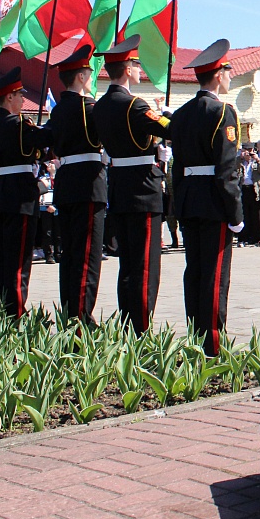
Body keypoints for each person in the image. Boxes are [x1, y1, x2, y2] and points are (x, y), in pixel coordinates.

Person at [168, 39, 244, 356]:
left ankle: (196, 337)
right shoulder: (223, 112)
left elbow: (177, 166)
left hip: (188, 201)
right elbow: (226, 171)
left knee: (195, 272)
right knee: (214, 276)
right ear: (217, 74)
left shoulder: (181, 115)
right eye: (227, 70)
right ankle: (212, 345)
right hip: (214, 204)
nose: (230, 75)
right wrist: (236, 215)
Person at [92, 35, 170, 333]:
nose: (140, 70)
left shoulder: (100, 106)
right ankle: (140, 328)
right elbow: (169, 129)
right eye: (136, 64)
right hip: (143, 190)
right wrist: (166, 118)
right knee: (145, 267)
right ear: (126, 68)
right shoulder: (135, 105)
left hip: (119, 188)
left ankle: (127, 322)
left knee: (127, 265)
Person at [0, 69, 51, 315]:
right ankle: (15, 314)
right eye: (19, 95)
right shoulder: (18, 127)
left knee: (3, 260)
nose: (22, 100)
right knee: (19, 262)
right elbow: (46, 142)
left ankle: (3, 311)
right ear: (9, 97)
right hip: (19, 198)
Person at [46, 45, 108, 325]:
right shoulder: (88, 108)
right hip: (87, 184)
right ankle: (81, 318)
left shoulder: (57, 111)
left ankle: (70, 309)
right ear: (82, 77)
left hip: (67, 183)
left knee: (70, 254)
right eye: (89, 73)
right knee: (87, 255)